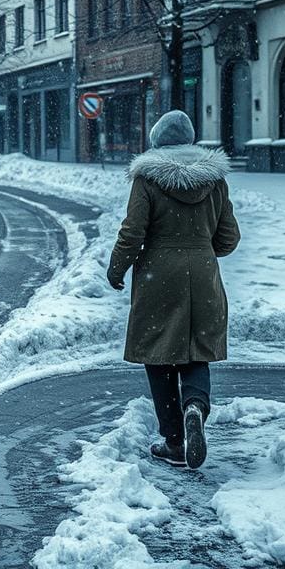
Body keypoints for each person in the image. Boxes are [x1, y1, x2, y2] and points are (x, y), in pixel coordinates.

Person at [106, 110, 240, 470]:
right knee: (197, 351)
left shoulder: (147, 179)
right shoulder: (215, 181)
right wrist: (200, 248)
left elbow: (132, 232)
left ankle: (175, 441)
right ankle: (195, 406)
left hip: (159, 276)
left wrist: (117, 268)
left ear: (156, 140)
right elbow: (229, 238)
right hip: (204, 274)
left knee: (159, 354)